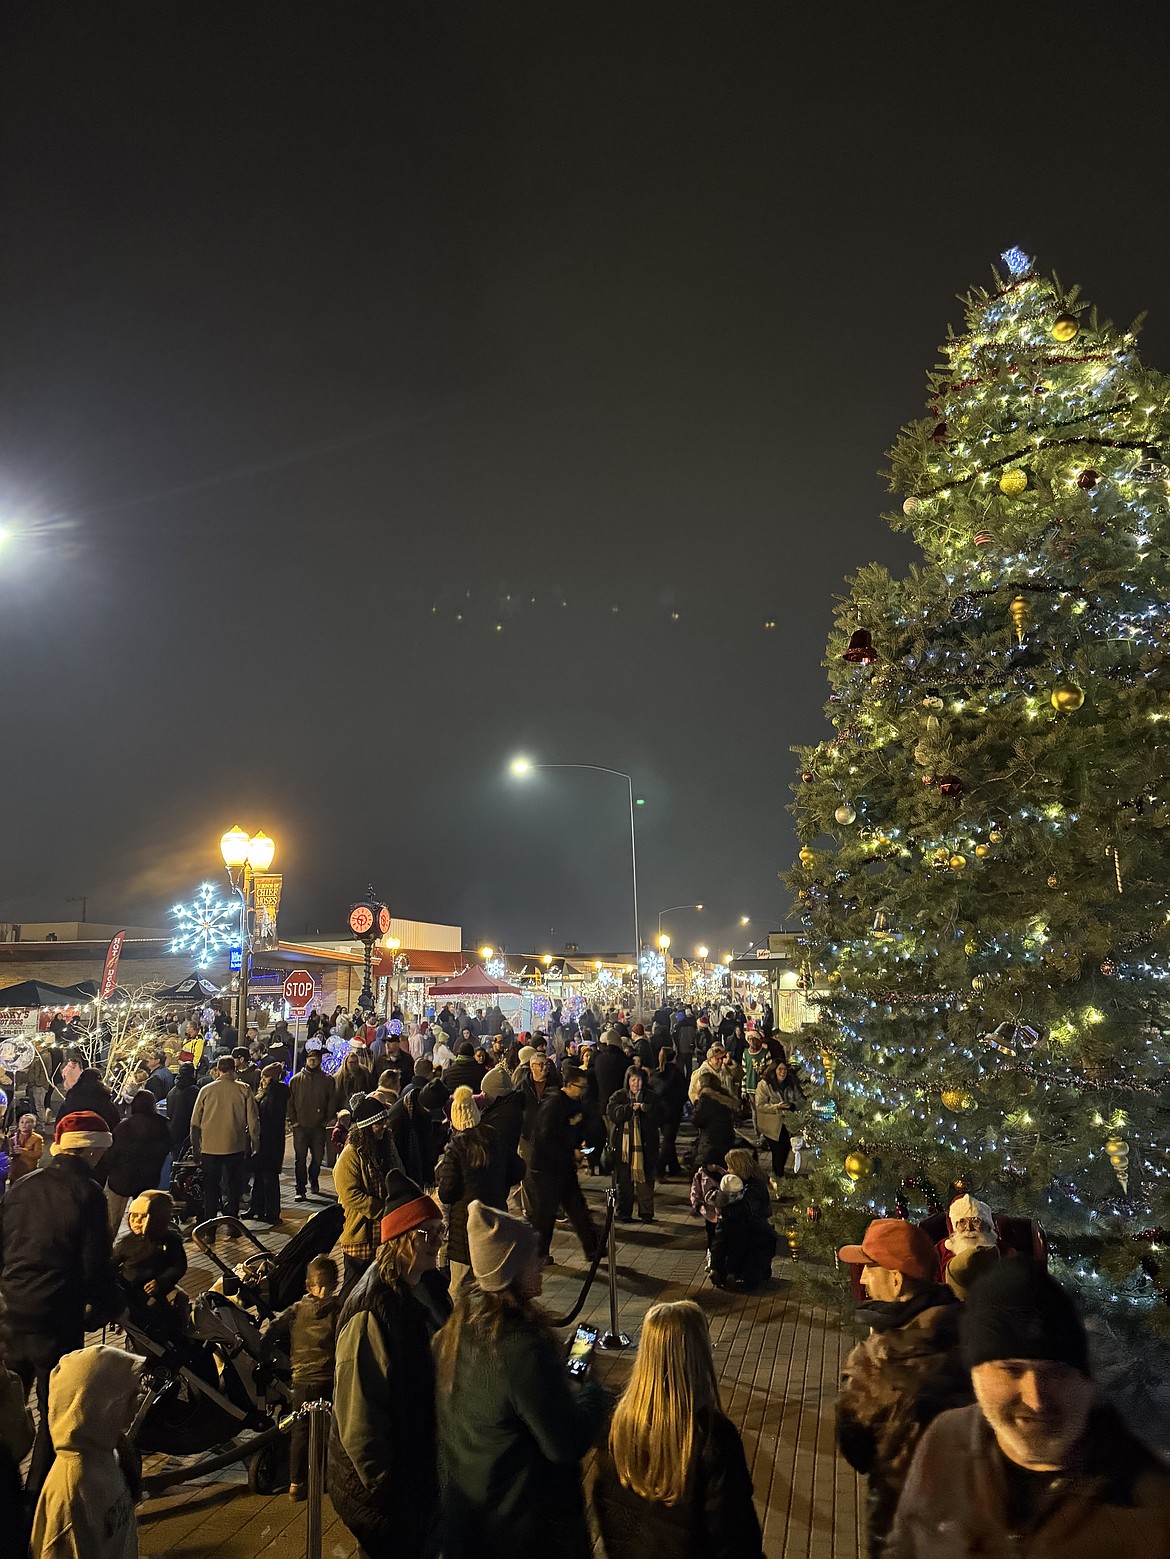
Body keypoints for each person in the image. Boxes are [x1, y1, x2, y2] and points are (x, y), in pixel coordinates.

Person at [888, 1258, 1170, 1556]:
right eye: (1011, 1370)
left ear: (1087, 1385)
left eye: (1057, 1373)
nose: (1035, 1400)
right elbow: (904, 1544)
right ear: (976, 1373)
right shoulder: (945, 1437)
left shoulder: (1154, 1505)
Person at [435, 1200, 608, 1559]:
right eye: (533, 1257)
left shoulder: (456, 1332)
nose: (543, 1262)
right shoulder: (519, 1348)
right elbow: (564, 1443)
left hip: (471, 1524)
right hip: (521, 1531)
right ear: (510, 1271)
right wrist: (594, 1392)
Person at [0, 1111, 123, 1500]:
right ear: (90, 1150)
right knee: (55, 1410)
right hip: (56, 1312)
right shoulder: (87, 1194)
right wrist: (108, 1306)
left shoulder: (22, 1186)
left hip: (10, 1308)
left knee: (6, 1401)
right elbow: (94, 1266)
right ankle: (35, 1497)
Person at [328, 1171, 450, 1559]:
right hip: (386, 1496)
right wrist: (390, 1491)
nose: (436, 1242)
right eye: (426, 1233)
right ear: (400, 1239)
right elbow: (359, 1422)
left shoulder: (427, 1285)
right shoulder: (371, 1311)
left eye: (439, 1231)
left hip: (418, 1473)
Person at [834, 1218, 970, 1556]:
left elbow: (856, 1444)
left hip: (901, 1517)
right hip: (968, 1516)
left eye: (868, 1268)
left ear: (896, 1281)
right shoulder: (970, 1334)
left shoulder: (877, 1360)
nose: (862, 1278)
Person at [592, 1299, 763, 1559]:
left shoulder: (618, 1425)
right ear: (699, 1353)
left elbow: (607, 1508)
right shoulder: (712, 1438)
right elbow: (735, 1535)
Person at [30, 1344, 145, 1559]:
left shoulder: (106, 1451)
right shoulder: (73, 1488)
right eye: (128, 1397)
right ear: (99, 1406)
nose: (137, 1403)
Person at [266, 1254, 341, 1501]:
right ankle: (325, 1478)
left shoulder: (296, 1310)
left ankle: (296, 1483)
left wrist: (266, 1354)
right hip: (328, 1379)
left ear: (307, 1285)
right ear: (335, 1283)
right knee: (329, 1430)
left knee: (300, 1431)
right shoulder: (338, 1310)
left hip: (301, 1380)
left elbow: (272, 1330)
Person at [437, 1087, 525, 1292]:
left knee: (460, 1287)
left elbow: (446, 1192)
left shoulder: (456, 1147)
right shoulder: (494, 1138)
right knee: (493, 1284)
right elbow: (518, 1169)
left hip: (464, 1226)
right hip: (495, 1217)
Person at [524, 1064, 599, 1263]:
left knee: (577, 1208)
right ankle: (539, 1254)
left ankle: (593, 1248)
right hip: (546, 1169)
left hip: (563, 1166)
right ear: (568, 1085)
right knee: (545, 1215)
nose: (582, 1091)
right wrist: (571, 1149)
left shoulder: (574, 1104)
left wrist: (580, 1143)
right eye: (579, 1086)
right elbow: (545, 1137)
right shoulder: (555, 1104)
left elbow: (575, 1128)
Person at [334, 1095, 402, 1294]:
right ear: (366, 1127)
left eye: (384, 1123)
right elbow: (349, 1193)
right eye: (377, 1124)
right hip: (361, 1235)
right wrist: (381, 1209)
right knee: (352, 1290)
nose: (383, 1127)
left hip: (385, 1232)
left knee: (379, 1287)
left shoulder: (387, 1148)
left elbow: (399, 1174)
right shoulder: (351, 1154)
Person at [189, 1055, 260, 1221]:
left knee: (211, 1188)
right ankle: (232, 1222)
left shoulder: (206, 1090)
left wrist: (196, 1148)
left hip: (209, 1147)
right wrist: (255, 1144)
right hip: (235, 1145)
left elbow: (194, 1123)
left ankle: (209, 1227)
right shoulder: (244, 1089)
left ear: (218, 1070)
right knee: (234, 1187)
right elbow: (253, 1121)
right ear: (234, 1069)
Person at [112, 1189, 188, 1336]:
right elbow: (113, 1264)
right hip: (130, 1291)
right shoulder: (126, 1242)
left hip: (156, 1291)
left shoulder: (170, 1240)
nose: (136, 1222)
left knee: (175, 1303)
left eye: (142, 1218)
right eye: (133, 1217)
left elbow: (178, 1266)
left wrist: (161, 1282)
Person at [102, 1090, 173, 1234]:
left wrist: (105, 1171)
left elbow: (113, 1152)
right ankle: (141, 1247)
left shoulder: (125, 1126)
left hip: (122, 1178)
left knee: (112, 1221)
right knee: (144, 1218)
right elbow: (167, 1147)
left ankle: (108, 1250)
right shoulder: (163, 1125)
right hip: (149, 1178)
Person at [710, 1152, 776, 1290]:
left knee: (727, 1237)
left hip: (754, 1229)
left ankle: (726, 1271)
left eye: (730, 1167)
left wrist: (724, 1212)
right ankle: (720, 1270)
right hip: (741, 1225)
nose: (728, 1170)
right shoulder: (737, 1182)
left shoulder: (755, 1186)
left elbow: (748, 1210)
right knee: (723, 1237)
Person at [606, 1066, 663, 1222]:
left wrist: (645, 1109)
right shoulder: (619, 1096)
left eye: (639, 1080)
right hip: (623, 1147)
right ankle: (624, 1212)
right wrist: (629, 1109)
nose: (636, 1084)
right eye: (633, 1080)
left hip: (645, 1145)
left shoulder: (650, 1096)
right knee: (624, 1182)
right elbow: (612, 1113)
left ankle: (646, 1213)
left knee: (645, 1181)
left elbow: (659, 1115)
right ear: (628, 1081)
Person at [286, 1041, 336, 1202]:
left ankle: (313, 1179)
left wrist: (327, 1120)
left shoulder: (327, 1080)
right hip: (300, 1126)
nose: (312, 1061)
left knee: (317, 1157)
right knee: (299, 1159)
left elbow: (332, 1100)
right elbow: (290, 1102)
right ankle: (300, 1188)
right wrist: (293, 1121)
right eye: (310, 1059)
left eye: (315, 1059)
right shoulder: (296, 1080)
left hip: (318, 1127)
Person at [247, 1062, 289, 1226]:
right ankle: (256, 1207)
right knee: (259, 1175)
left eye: (265, 1076)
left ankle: (271, 1211)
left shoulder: (276, 1094)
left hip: (271, 1141)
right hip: (264, 1139)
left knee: (269, 1176)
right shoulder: (266, 1094)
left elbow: (270, 1117)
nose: (262, 1080)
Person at [752, 1059, 805, 1185]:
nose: (783, 1072)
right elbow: (760, 1105)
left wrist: (792, 1105)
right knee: (777, 1152)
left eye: (785, 1069)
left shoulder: (791, 1083)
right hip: (772, 1125)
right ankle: (778, 1179)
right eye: (780, 1069)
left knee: (785, 1149)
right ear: (774, 1070)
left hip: (787, 1124)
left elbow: (801, 1100)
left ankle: (779, 1175)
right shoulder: (764, 1084)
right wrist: (776, 1107)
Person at [54, 1060, 120, 1135]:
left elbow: (59, 1123)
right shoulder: (105, 1101)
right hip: (100, 1140)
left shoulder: (71, 1100)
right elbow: (115, 1124)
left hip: (73, 1137)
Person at [650, 1047, 688, 1178]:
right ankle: (659, 1167)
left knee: (668, 1139)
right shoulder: (675, 1073)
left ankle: (674, 1167)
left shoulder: (655, 1074)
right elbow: (683, 1092)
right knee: (668, 1140)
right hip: (672, 1111)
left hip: (659, 1112)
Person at [7, 1112, 43, 1183]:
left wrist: (23, 1151)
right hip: (15, 1172)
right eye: (22, 1122)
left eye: (27, 1122)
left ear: (33, 1124)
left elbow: (38, 1154)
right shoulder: (12, 1138)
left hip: (29, 1172)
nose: (24, 1125)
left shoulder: (37, 1138)